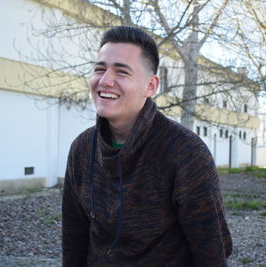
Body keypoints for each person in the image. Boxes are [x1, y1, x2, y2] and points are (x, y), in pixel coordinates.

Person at [62, 25, 232, 266]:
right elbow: (74, 238)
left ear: (150, 86)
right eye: (99, 69)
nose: (105, 80)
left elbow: (211, 252)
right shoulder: (81, 149)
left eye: (121, 72)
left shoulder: (185, 152)